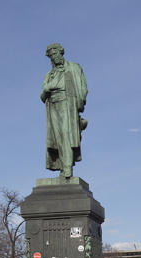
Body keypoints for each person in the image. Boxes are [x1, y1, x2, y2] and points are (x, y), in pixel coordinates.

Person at [41, 42, 87, 179]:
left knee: (67, 135)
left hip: (68, 104)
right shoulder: (49, 75)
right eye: (50, 56)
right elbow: (42, 96)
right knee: (58, 138)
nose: (53, 58)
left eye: (54, 54)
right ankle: (62, 168)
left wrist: (79, 104)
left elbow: (83, 87)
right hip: (53, 106)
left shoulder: (73, 68)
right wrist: (46, 89)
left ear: (60, 53)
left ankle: (67, 168)